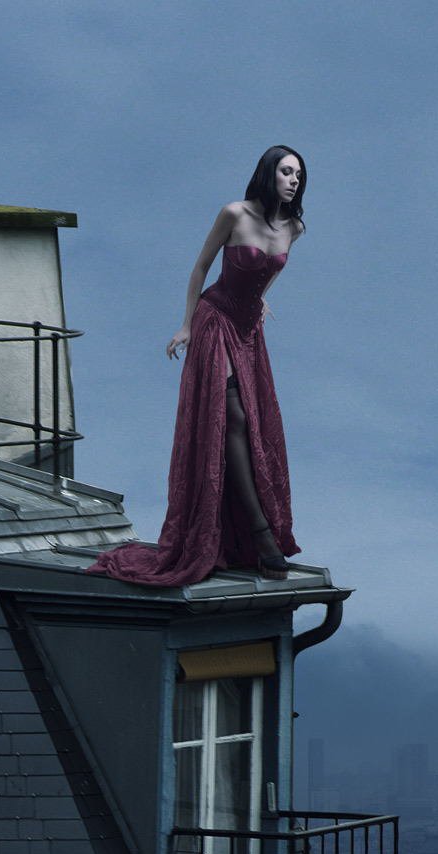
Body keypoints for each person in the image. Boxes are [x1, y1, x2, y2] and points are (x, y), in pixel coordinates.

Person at [89, 146, 306, 586]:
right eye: (286, 171)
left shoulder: (295, 227)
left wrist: (262, 298)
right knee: (235, 418)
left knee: (252, 426)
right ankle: (262, 537)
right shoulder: (234, 213)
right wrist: (186, 325)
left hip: (248, 333)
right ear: (268, 173)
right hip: (215, 319)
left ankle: (247, 536)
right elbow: (202, 266)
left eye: (299, 175)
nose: (294, 180)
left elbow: (273, 270)